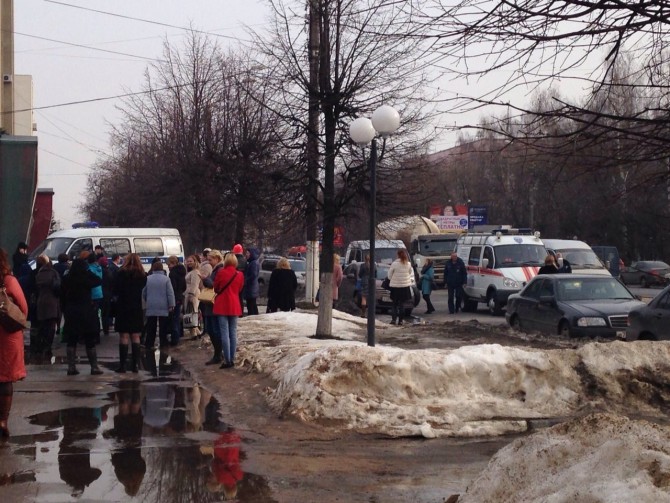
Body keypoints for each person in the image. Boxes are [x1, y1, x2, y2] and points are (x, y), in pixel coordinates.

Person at [0, 248, 28, 438]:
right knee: (5, 378)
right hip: (6, 335)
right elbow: (23, 309)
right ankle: (2, 420)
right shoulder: (9, 281)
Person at [60, 257, 104, 376]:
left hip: (71, 311)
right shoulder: (86, 278)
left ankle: (71, 367)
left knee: (72, 340)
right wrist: (88, 271)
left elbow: (61, 290)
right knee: (90, 340)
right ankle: (94, 367)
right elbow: (98, 280)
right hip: (86, 310)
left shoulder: (67, 278)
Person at [114, 253, 147, 373]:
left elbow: (116, 289)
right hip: (136, 306)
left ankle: (122, 366)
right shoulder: (142, 275)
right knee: (135, 335)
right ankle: (135, 365)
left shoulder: (121, 273)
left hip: (123, 306)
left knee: (124, 336)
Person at [213, 253, 245, 369]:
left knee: (224, 333)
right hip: (235, 305)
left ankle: (227, 360)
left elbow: (216, 288)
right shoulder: (240, 274)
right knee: (233, 332)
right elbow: (240, 289)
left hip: (222, 304)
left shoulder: (221, 272)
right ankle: (232, 358)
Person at [143, 260, 175, 351]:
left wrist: (147, 300)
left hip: (151, 304)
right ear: (162, 268)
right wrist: (171, 304)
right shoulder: (166, 279)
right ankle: (163, 342)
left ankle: (149, 343)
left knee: (151, 325)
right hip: (163, 305)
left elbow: (144, 292)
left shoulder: (148, 278)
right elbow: (170, 293)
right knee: (163, 325)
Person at [34, 254, 61, 357]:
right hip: (52, 301)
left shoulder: (38, 274)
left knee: (42, 325)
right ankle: (47, 347)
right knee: (51, 326)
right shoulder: (54, 273)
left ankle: (41, 345)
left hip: (41, 301)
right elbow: (57, 287)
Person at [202, 250, 225, 365]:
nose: (208, 262)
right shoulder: (216, 269)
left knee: (214, 330)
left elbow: (214, 285)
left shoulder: (219, 269)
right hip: (211, 304)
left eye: (210, 259)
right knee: (211, 330)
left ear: (217, 259)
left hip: (214, 304)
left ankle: (218, 354)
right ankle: (218, 354)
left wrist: (204, 278)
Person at [387, 249, 414, 325]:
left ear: (398, 255)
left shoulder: (394, 264)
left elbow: (389, 276)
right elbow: (410, 273)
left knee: (394, 304)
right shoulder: (408, 264)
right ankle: (401, 321)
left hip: (395, 287)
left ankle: (393, 320)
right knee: (402, 304)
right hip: (404, 287)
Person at [167, 255, 187, 346]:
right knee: (177, 317)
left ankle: (174, 340)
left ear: (174, 263)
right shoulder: (182, 272)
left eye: (169, 264)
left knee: (174, 319)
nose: (168, 266)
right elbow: (184, 287)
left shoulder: (172, 274)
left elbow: (172, 288)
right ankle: (178, 336)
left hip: (174, 298)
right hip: (179, 297)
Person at [183, 254, 202, 337]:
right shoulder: (191, 271)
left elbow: (194, 284)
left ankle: (194, 332)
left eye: (191, 261)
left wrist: (191, 294)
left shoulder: (195, 272)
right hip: (190, 294)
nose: (189, 263)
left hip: (193, 295)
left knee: (192, 312)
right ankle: (197, 332)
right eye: (188, 261)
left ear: (195, 262)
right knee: (192, 312)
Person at [243, 248, 260, 316]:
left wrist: (245, 281)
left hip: (251, 288)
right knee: (252, 304)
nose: (246, 255)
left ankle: (253, 317)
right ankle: (255, 317)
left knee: (251, 305)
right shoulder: (252, 262)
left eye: (247, 253)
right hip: (252, 288)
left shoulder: (253, 263)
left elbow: (253, 275)